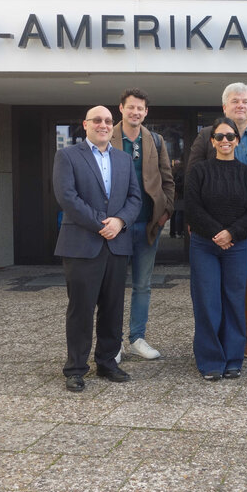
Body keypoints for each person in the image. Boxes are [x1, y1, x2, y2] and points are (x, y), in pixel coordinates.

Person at [53, 105, 142, 392]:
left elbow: (134, 198)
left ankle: (107, 363)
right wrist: (100, 224)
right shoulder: (67, 156)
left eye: (107, 121)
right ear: (86, 124)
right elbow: (67, 196)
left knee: (113, 308)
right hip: (82, 244)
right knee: (81, 308)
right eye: (97, 120)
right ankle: (76, 368)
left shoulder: (124, 159)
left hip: (117, 243)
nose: (103, 124)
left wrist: (119, 222)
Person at [189, 82, 247, 359]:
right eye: (235, 101)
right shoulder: (206, 136)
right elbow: (192, 178)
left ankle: (244, 337)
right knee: (210, 289)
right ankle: (214, 343)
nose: (241, 105)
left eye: (245, 102)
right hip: (210, 230)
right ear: (225, 107)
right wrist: (206, 226)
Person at [185, 118, 247, 381]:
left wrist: (232, 233)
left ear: (237, 140)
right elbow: (192, 207)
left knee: (233, 301)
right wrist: (217, 233)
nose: (225, 141)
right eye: (219, 137)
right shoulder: (199, 171)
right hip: (204, 245)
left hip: (237, 246)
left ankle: (232, 359)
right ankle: (210, 361)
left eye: (230, 136)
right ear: (212, 141)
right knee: (207, 302)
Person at [111, 88, 175, 360]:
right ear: (121, 108)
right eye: (131, 107)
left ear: (146, 112)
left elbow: (168, 180)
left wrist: (165, 214)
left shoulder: (156, 140)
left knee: (142, 286)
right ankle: (112, 344)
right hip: (115, 228)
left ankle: (137, 338)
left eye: (141, 108)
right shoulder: (107, 136)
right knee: (111, 287)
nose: (136, 112)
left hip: (148, 225)